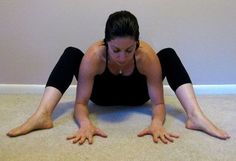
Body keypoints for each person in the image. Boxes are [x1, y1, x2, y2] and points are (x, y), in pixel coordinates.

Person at [7, 10, 230, 144]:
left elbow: (159, 102)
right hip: (102, 97)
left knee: (168, 55)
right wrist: (84, 124)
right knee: (71, 53)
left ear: (137, 44)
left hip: (136, 97)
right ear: (106, 43)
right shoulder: (94, 55)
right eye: (115, 50)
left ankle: (195, 116)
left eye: (129, 50)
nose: (122, 56)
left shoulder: (147, 56)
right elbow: (82, 103)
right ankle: (42, 115)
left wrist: (156, 123)